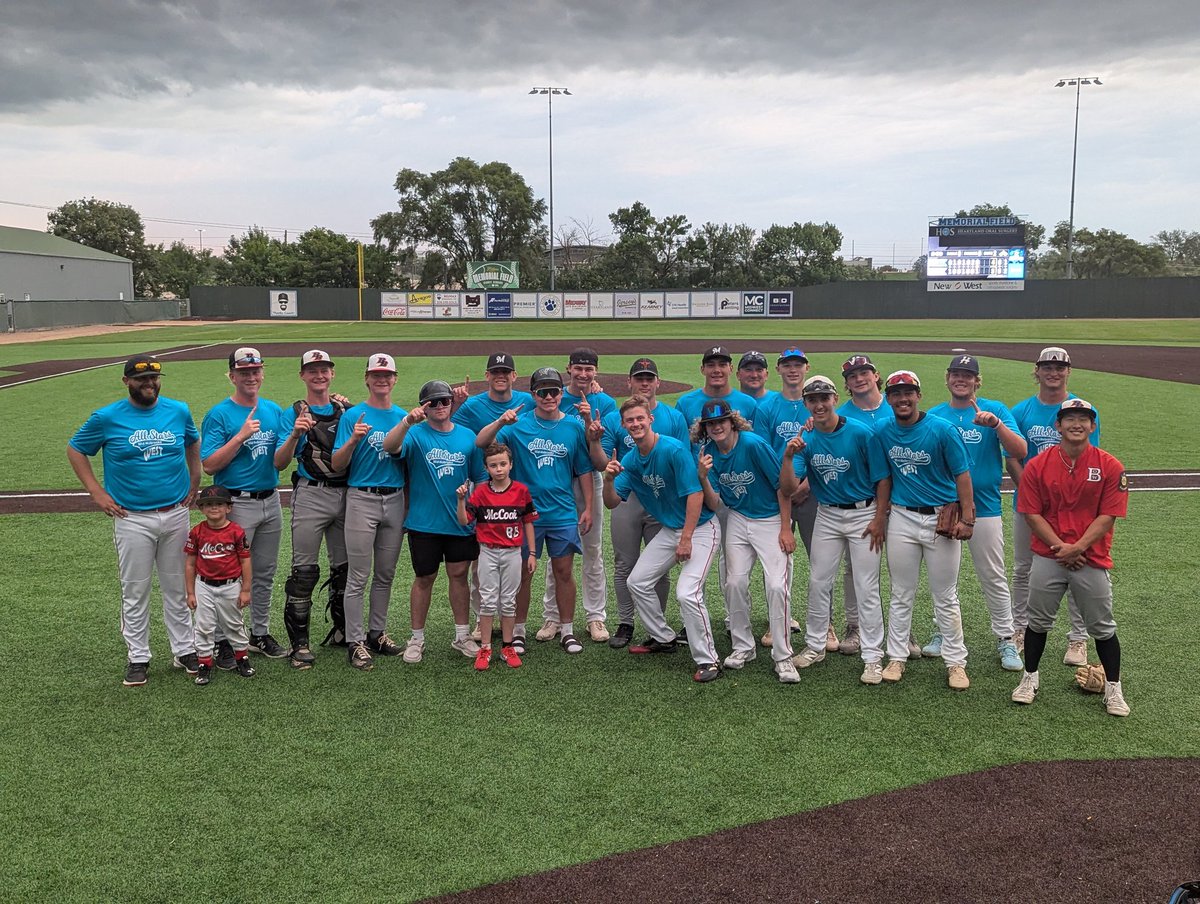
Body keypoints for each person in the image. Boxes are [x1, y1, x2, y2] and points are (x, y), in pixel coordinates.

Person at [67, 354, 201, 687]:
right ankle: (138, 656)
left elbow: (192, 441)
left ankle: (184, 649)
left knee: (178, 586)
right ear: (126, 381)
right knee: (135, 589)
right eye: (141, 379)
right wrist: (96, 493)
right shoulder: (107, 417)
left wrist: (195, 478)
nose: (149, 384)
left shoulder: (177, 410)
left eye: (154, 378)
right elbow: (75, 449)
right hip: (131, 516)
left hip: (175, 512)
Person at [1011, 399, 1130, 717]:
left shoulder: (1110, 465)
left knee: (1103, 628)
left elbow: (1108, 516)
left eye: (1083, 419)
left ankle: (1114, 689)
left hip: (1090, 557)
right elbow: (1032, 514)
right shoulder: (1038, 464)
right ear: (1057, 426)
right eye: (1069, 418)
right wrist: (1061, 548)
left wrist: (1077, 548)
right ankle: (1029, 679)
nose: (1076, 424)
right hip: (1050, 556)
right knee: (1037, 623)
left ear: (1093, 426)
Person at [602, 396, 723, 683]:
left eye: (640, 418)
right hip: (671, 530)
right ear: (623, 425)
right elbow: (611, 503)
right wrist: (607, 480)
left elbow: (695, 494)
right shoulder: (631, 461)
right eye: (630, 420)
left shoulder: (673, 449)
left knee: (687, 592)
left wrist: (687, 538)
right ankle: (664, 637)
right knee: (637, 581)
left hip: (702, 528)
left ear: (650, 419)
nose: (635, 424)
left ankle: (709, 660)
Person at [780, 375, 891, 685]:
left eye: (824, 398)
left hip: (863, 512)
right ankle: (815, 646)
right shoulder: (806, 438)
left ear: (833, 399)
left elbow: (882, 478)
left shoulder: (859, 432)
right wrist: (789, 456)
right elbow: (789, 488)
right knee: (818, 581)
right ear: (805, 404)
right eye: (812, 399)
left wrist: (879, 518)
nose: (819, 404)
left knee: (866, 585)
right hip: (827, 513)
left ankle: (872, 656)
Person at [476, 366, 593, 655]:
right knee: (522, 574)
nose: (549, 396)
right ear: (533, 395)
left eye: (554, 391)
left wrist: (589, 506)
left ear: (561, 393)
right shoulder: (518, 426)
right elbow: (482, 443)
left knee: (563, 571)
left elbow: (584, 471)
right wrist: (501, 422)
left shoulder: (574, 427)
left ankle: (567, 629)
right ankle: (518, 631)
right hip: (525, 514)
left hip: (562, 512)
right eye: (542, 392)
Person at [875, 370, 975, 690]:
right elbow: (883, 477)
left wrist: (968, 519)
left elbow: (962, 475)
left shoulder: (942, 430)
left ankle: (956, 662)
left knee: (945, 595)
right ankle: (896, 656)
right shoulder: (883, 430)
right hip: (902, 517)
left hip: (940, 519)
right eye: (896, 393)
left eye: (909, 393)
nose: (903, 398)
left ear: (918, 395)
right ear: (888, 398)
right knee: (901, 593)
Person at [927, 354, 1027, 672]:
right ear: (947, 378)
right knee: (944, 578)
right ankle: (944, 632)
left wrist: (995, 425)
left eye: (967, 375)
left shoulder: (994, 409)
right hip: (947, 507)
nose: (961, 379)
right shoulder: (935, 415)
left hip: (984, 507)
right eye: (956, 373)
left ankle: (1006, 639)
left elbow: (1020, 451)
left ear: (976, 381)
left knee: (993, 575)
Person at [693, 400, 800, 684]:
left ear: (732, 422)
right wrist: (703, 477)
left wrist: (785, 527)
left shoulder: (752, 444)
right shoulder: (708, 454)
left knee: (777, 585)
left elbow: (782, 487)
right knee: (734, 582)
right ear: (704, 428)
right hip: (738, 519)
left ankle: (783, 655)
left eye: (722, 421)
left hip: (771, 518)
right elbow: (715, 503)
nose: (717, 427)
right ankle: (743, 646)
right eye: (710, 424)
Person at [1008, 346, 1101, 666]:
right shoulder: (1021, 411)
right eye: (1047, 367)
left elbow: (1091, 458)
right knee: (1023, 569)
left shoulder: (1082, 410)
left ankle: (1078, 639)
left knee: (1077, 566)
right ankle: (1019, 628)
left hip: (1073, 507)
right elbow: (1013, 459)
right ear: (1037, 370)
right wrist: (1033, 495)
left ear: (1068, 371)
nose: (1053, 372)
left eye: (1059, 367)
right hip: (1030, 505)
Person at [383, 380, 485, 664]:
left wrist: (476, 510)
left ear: (451, 403)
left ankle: (462, 635)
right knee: (424, 578)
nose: (440, 407)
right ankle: (416, 637)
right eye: (433, 403)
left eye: (444, 401)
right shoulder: (415, 434)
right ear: (424, 407)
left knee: (458, 576)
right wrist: (407, 421)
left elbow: (481, 477)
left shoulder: (468, 436)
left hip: (460, 522)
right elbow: (390, 446)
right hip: (423, 522)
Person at [593, 358, 690, 648]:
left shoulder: (673, 417)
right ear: (629, 382)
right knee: (625, 562)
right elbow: (604, 461)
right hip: (628, 496)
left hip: (660, 497)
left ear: (658, 382)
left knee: (657, 565)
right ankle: (626, 622)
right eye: (639, 378)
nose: (645, 382)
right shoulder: (615, 418)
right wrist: (595, 443)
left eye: (650, 378)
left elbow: (683, 460)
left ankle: (655, 624)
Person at [200, 346, 287, 664]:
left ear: (262, 373)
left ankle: (259, 633)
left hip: (270, 499)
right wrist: (239, 437)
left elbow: (281, 460)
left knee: (264, 572)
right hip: (236, 502)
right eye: (244, 372)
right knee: (229, 573)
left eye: (256, 371)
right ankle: (223, 640)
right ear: (232, 376)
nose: (251, 376)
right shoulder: (220, 414)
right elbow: (209, 465)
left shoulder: (273, 410)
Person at [330, 354, 408, 671]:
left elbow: (407, 462)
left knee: (385, 574)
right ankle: (355, 640)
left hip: (395, 498)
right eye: (376, 374)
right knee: (358, 576)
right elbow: (337, 464)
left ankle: (376, 633)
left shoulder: (403, 417)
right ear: (366, 378)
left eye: (386, 374)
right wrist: (352, 440)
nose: (381, 379)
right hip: (362, 497)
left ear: (395, 378)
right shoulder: (353, 415)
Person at [272, 349, 350, 669]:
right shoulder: (293, 412)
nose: (319, 375)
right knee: (304, 572)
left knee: (344, 570)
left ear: (332, 373)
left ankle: (343, 631)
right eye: (312, 370)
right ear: (302, 375)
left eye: (324, 369)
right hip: (311, 495)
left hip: (346, 494)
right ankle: (299, 645)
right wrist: (295, 434)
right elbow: (278, 462)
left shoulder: (347, 409)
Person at [837, 354, 916, 659]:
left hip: (903, 498)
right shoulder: (841, 413)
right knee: (854, 568)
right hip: (861, 500)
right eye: (852, 375)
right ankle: (855, 626)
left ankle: (903, 631)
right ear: (846, 383)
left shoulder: (896, 404)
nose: (859, 378)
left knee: (901, 568)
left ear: (876, 375)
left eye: (864, 372)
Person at [751, 346, 831, 650]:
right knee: (778, 559)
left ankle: (828, 625)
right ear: (780, 369)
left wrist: (807, 484)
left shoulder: (818, 404)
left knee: (820, 561)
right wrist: (782, 486)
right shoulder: (768, 406)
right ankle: (779, 621)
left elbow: (827, 446)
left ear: (806, 367)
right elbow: (762, 448)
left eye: (798, 364)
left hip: (813, 491)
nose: (793, 370)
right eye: (787, 365)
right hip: (779, 492)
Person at [452, 351, 534, 640]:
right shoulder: (474, 405)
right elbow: (450, 428)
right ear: (486, 375)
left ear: (514, 375)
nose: (501, 376)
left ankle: (514, 624)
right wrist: (455, 403)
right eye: (495, 371)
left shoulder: (529, 401)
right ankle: (480, 618)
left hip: (516, 486)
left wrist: (592, 390)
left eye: (506, 371)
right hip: (482, 485)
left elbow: (556, 406)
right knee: (482, 557)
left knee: (515, 557)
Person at [540, 348, 617, 643]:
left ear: (596, 372)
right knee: (557, 551)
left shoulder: (604, 402)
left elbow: (601, 454)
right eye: (578, 368)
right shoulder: (553, 394)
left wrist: (588, 423)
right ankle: (553, 616)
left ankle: (595, 616)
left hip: (590, 480)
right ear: (568, 369)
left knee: (592, 548)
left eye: (589, 369)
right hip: (555, 480)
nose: (583, 374)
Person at [457, 443, 539, 670]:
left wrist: (531, 553)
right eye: (493, 465)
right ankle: (485, 647)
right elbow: (464, 520)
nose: (499, 469)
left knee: (509, 600)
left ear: (511, 465)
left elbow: (528, 522)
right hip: (488, 552)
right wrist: (461, 500)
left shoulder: (521, 490)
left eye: (503, 464)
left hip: (513, 552)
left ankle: (507, 645)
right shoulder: (481, 491)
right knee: (487, 599)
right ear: (486, 468)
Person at [184, 485, 255, 685]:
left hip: (230, 584)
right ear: (201, 509)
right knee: (204, 625)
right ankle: (204, 663)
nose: (213, 508)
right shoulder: (197, 532)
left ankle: (242, 658)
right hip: (204, 585)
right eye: (208, 504)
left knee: (233, 623)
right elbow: (190, 563)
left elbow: (245, 561)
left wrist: (246, 589)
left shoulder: (236, 532)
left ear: (228, 508)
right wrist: (190, 592)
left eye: (218, 504)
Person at [673, 346, 760, 425]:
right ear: (702, 369)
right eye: (711, 365)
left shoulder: (749, 403)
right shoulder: (685, 403)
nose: (717, 370)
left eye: (722, 365)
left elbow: (758, 440)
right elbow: (679, 441)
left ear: (731, 369)